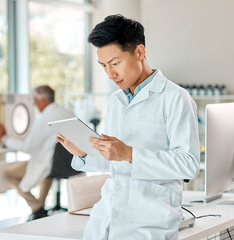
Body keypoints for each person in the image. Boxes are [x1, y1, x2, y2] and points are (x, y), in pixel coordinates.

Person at [57, 14, 200, 239]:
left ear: (139, 52)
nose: (110, 73)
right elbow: (116, 161)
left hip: (150, 220)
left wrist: (131, 154)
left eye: (115, 63)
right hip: (107, 215)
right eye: (103, 65)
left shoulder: (175, 98)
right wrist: (83, 152)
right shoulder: (116, 101)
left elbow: (189, 165)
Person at [0, 85, 75, 220]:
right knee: (46, 171)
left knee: (9, 174)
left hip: (50, 164)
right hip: (68, 164)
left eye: (35, 99)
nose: (33, 103)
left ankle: (37, 207)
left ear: (43, 100)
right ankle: (39, 208)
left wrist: (5, 138)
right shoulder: (68, 112)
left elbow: (28, 148)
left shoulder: (43, 119)